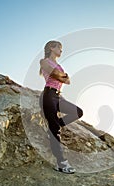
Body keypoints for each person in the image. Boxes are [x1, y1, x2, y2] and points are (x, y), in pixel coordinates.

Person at [39, 40, 83, 174]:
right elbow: (54, 75)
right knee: (55, 131)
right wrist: (62, 76)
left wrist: (62, 76)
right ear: (52, 48)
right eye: (59, 48)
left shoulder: (58, 65)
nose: (61, 51)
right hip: (48, 95)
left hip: (57, 96)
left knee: (78, 112)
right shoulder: (44, 61)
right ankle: (61, 163)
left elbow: (68, 81)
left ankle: (54, 127)